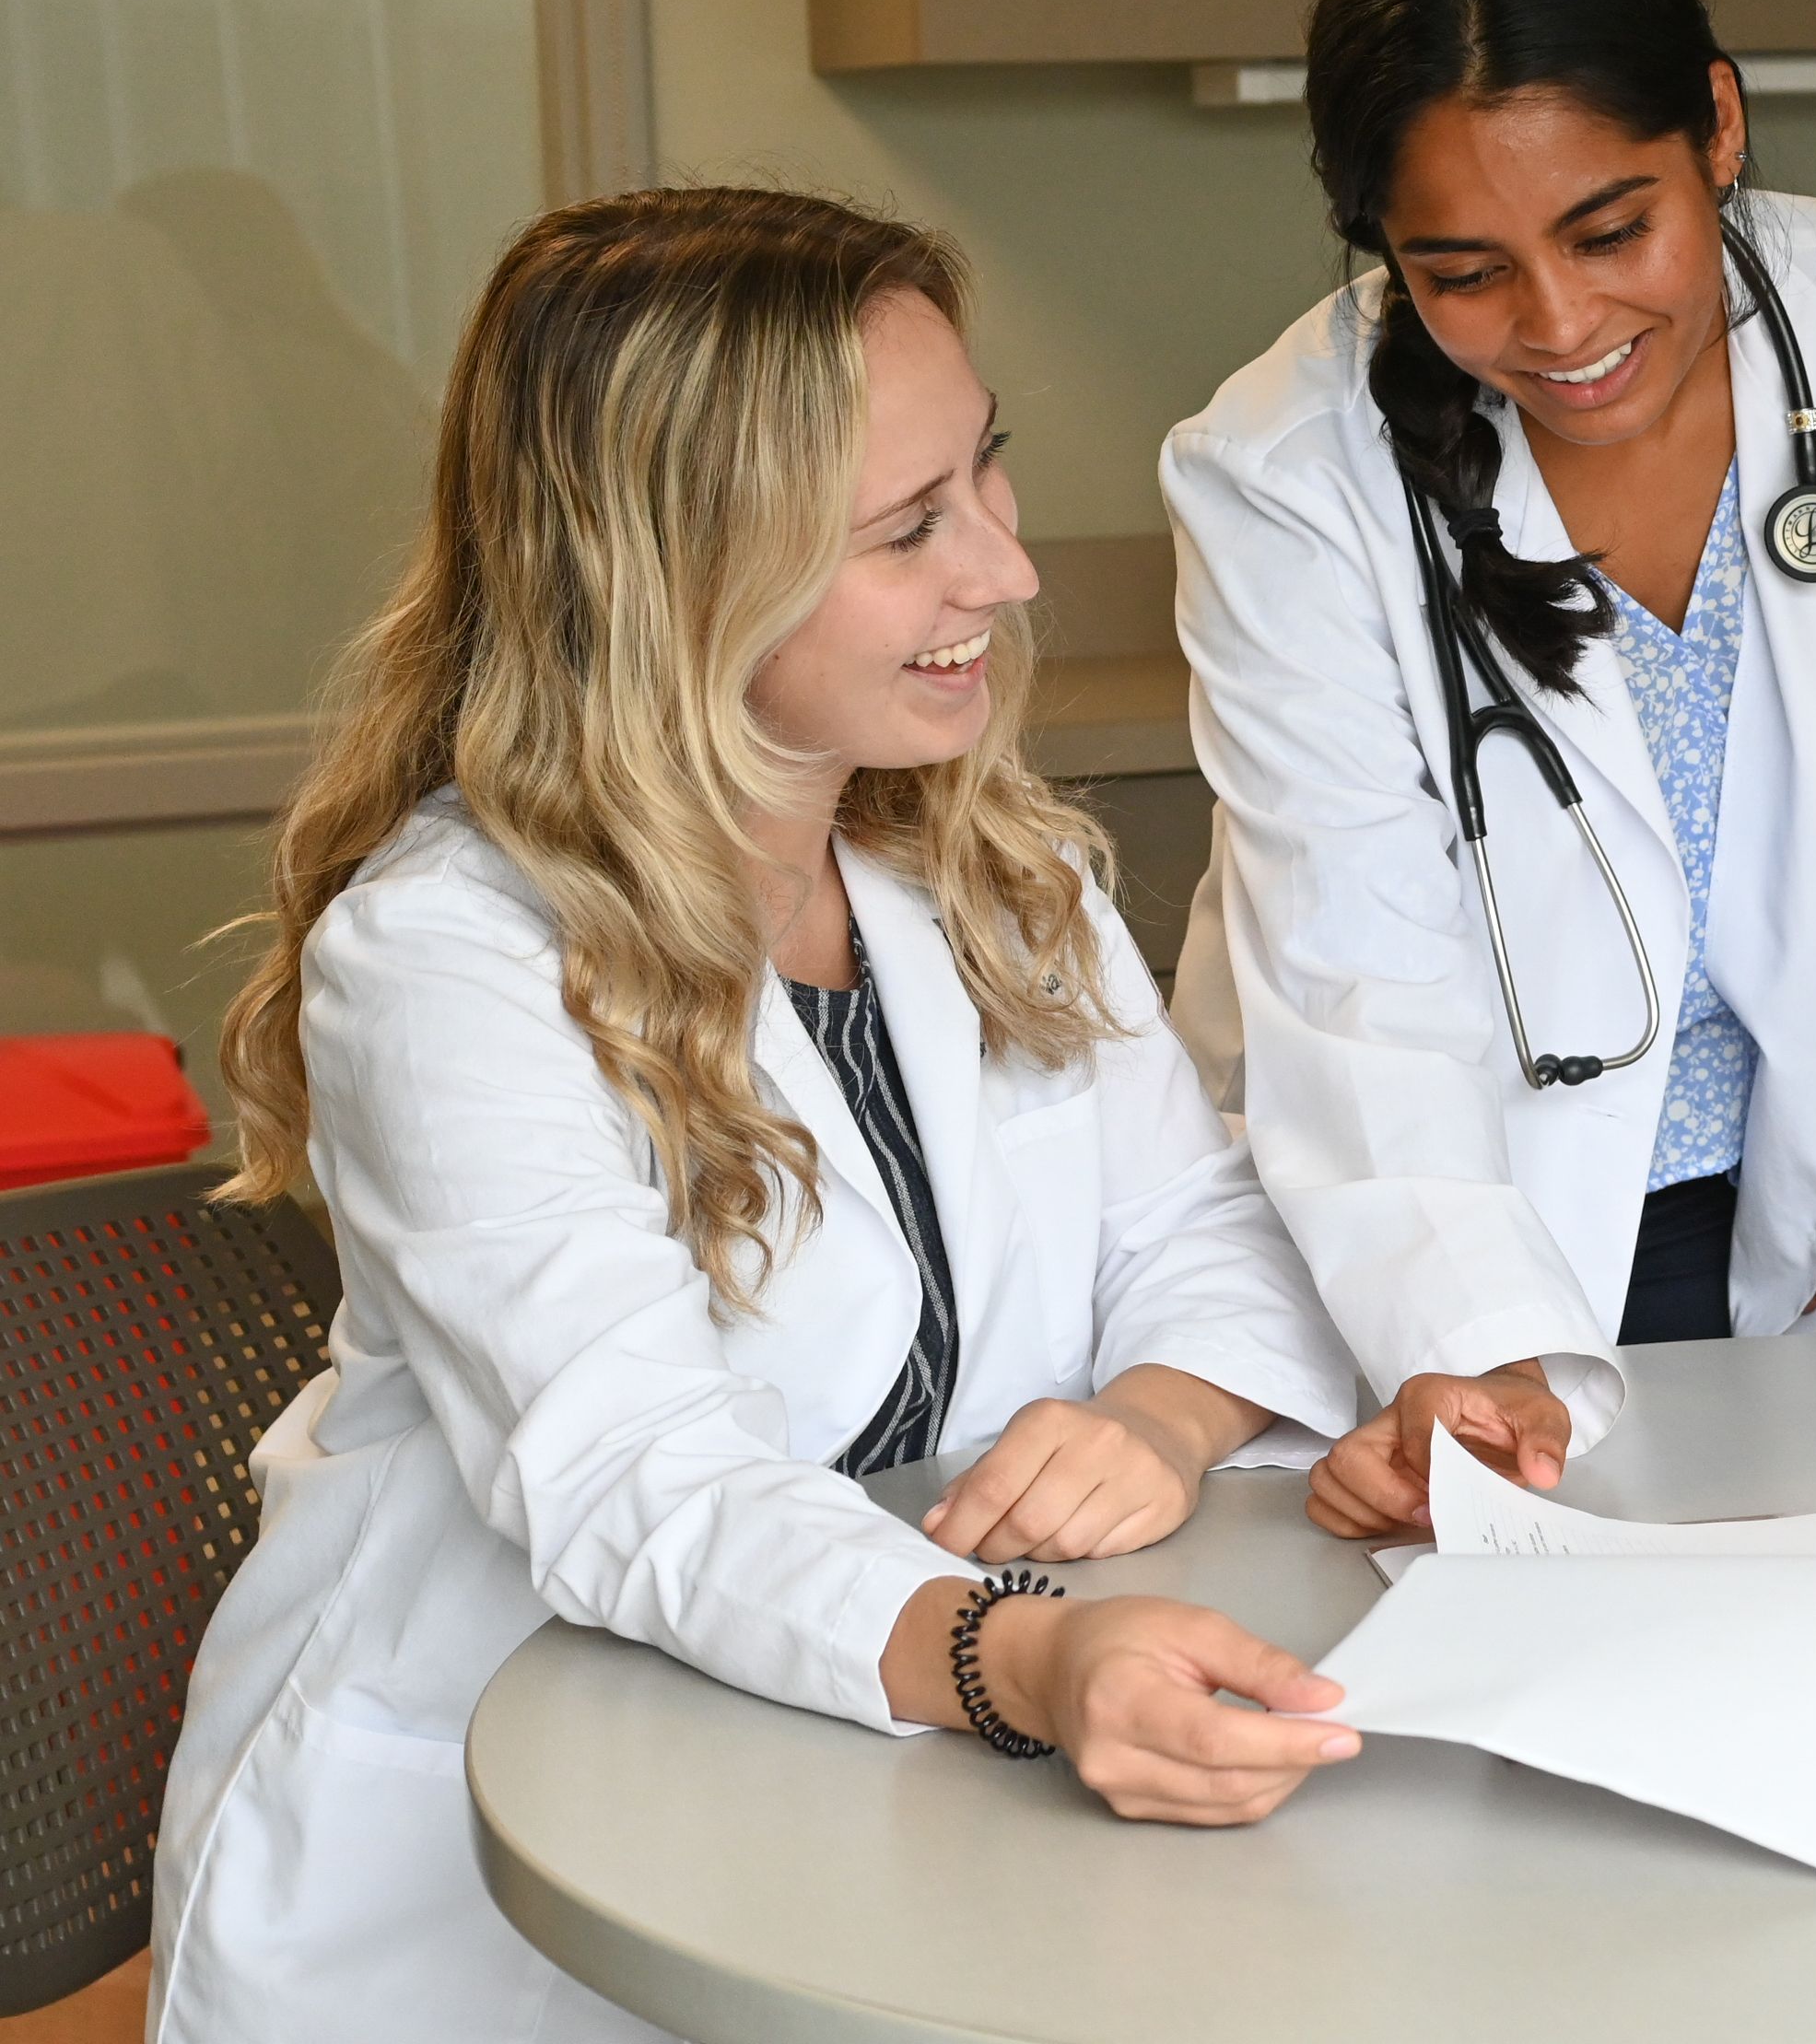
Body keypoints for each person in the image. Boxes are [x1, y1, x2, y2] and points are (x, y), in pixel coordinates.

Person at [148, 190, 1368, 2044]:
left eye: (988, 479)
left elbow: (1204, 1233)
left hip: (884, 1799)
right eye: (906, 531)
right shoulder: (449, 962)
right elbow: (641, 1473)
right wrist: (1023, 1653)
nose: (1006, 574)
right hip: (515, 1862)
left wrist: (1160, 1416)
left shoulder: (979, 856)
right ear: (678, 573)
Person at [1165, 0, 1816, 1536]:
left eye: (1610, 229)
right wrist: (1480, 1344)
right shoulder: (1284, 477)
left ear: (1717, 129)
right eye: (1464, 273)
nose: (1563, 325)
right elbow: (1360, 978)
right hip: (1467, 1221)